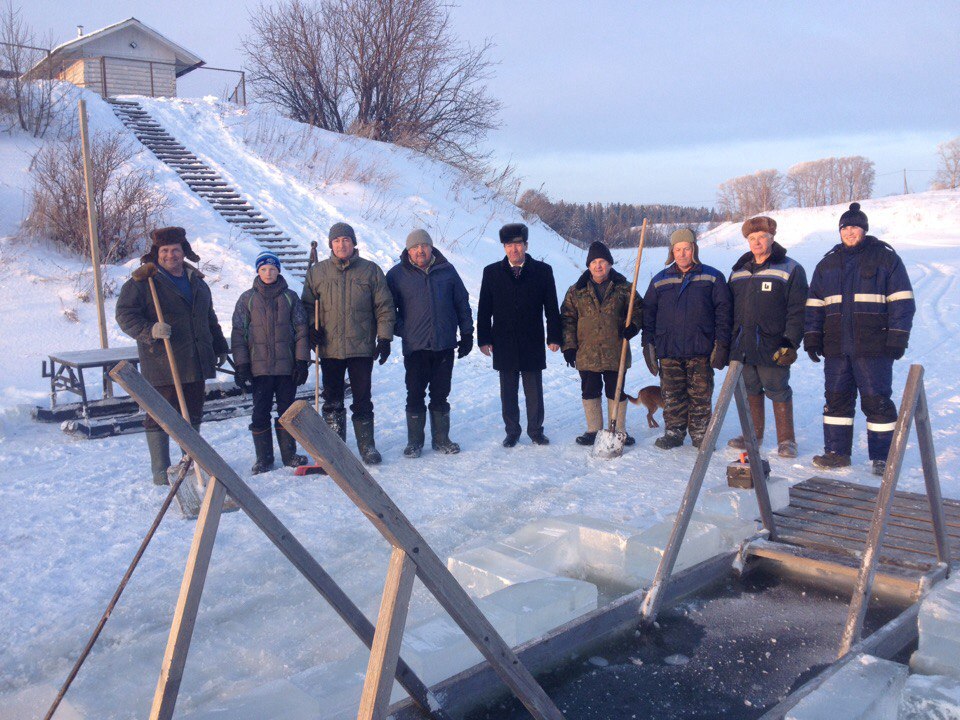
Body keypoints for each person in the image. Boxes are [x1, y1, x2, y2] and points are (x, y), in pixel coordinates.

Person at [804, 203, 916, 475]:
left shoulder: (885, 258)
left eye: (855, 227)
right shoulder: (827, 263)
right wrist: (812, 337)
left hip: (873, 346)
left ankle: (882, 458)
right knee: (836, 400)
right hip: (837, 348)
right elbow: (814, 304)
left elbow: (902, 301)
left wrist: (898, 337)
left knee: (876, 400)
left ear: (864, 229)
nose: (850, 232)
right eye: (845, 227)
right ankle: (836, 453)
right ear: (840, 231)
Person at [116, 226, 228, 485]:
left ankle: (190, 463)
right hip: (162, 360)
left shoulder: (196, 281)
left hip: (196, 359)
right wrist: (150, 330)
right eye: (164, 251)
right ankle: (160, 471)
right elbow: (125, 314)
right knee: (160, 415)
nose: (170, 255)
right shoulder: (144, 282)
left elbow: (208, 317)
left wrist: (219, 346)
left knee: (193, 414)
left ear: (183, 251)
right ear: (157, 253)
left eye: (175, 250)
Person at [300, 222, 395, 465]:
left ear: (354, 243)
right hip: (329, 347)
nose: (342, 245)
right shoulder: (317, 273)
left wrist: (384, 337)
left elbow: (384, 307)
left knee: (362, 398)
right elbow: (307, 306)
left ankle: (367, 446)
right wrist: (312, 327)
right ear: (331, 244)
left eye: (346, 240)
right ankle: (335, 449)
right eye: (337, 240)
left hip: (361, 347)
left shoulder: (370, 271)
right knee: (332, 399)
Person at [642, 228, 732, 450]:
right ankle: (674, 433)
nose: (682, 254)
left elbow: (724, 312)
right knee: (672, 396)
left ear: (694, 249)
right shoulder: (659, 280)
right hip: (668, 349)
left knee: (700, 396)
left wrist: (721, 343)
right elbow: (648, 315)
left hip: (700, 349)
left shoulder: (712, 277)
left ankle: (701, 435)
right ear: (672, 252)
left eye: (687, 248)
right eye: (678, 249)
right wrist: (648, 343)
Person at [386, 229, 473, 458]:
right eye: (415, 247)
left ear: (431, 247)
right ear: (408, 251)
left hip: (444, 345)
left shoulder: (447, 271)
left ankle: (441, 439)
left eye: (424, 246)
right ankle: (414, 442)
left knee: (441, 394)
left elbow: (462, 303)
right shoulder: (396, 275)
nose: (420, 250)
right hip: (416, 348)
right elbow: (386, 310)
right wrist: (403, 330)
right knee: (414, 394)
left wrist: (467, 334)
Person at [727, 216, 808, 458]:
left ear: (772, 238)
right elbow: (728, 309)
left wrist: (790, 341)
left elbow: (798, 309)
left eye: (762, 237)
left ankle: (786, 440)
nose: (757, 242)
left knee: (777, 389)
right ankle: (753, 436)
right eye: (752, 238)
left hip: (773, 344)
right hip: (743, 344)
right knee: (750, 389)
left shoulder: (790, 268)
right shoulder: (738, 271)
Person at [477, 223, 562, 447]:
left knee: (534, 390)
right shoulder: (492, 272)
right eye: (509, 245)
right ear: (504, 247)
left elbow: (552, 307)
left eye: (518, 244)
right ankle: (512, 431)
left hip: (531, 339)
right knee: (508, 390)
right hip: (503, 341)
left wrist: (554, 336)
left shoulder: (543, 271)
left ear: (526, 245)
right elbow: (484, 309)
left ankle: (536, 430)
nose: (514, 249)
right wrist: (484, 339)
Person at [231, 251, 311, 473]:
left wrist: (302, 361)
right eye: (264, 269)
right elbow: (239, 334)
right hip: (259, 369)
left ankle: (290, 454)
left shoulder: (290, 297)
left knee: (287, 412)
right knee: (260, 412)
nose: (268, 273)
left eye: (273, 268)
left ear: (279, 270)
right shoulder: (247, 299)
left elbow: (302, 330)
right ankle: (264, 458)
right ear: (258, 271)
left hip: (287, 369)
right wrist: (242, 365)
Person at [560, 240, 643, 446]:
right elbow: (567, 318)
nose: (599, 266)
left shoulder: (625, 288)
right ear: (588, 265)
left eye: (603, 261)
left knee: (616, 390)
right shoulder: (576, 290)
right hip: (586, 352)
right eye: (594, 262)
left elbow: (641, 309)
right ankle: (593, 430)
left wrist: (633, 325)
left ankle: (619, 430)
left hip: (616, 350)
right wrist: (569, 346)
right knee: (590, 390)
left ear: (610, 264)